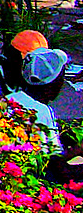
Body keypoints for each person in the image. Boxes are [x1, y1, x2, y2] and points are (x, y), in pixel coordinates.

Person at [12, 47, 83, 181]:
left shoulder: (12, 98)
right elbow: (58, 169)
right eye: (61, 77)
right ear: (52, 83)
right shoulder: (41, 112)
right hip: (24, 180)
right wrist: (77, 149)